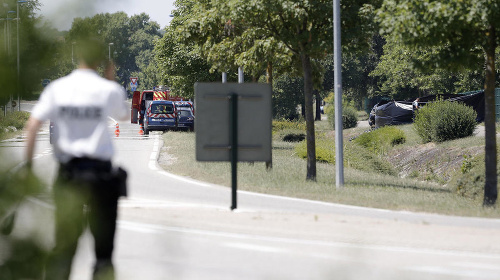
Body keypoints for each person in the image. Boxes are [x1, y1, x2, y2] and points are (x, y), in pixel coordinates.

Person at [24, 37, 128, 280]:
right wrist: (110, 78)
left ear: (77, 56)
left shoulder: (57, 88)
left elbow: (32, 126)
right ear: (102, 61)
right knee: (104, 253)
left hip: (69, 176)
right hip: (101, 176)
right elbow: (123, 116)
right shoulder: (108, 89)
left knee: (63, 248)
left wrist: (27, 169)